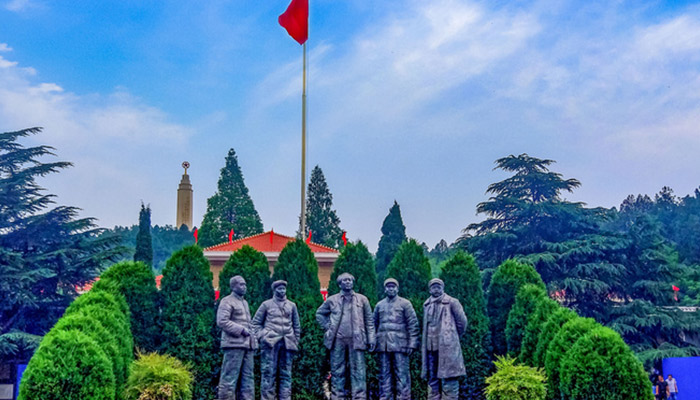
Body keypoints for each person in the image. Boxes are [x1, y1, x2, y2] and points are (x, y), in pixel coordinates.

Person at [316, 272, 375, 400]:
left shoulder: (362, 299)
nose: (348, 282)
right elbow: (320, 314)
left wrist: (371, 338)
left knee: (358, 371)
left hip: (357, 339)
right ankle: (337, 397)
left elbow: (369, 320)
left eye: (350, 280)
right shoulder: (332, 300)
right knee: (337, 370)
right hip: (338, 340)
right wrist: (328, 327)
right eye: (345, 280)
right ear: (340, 284)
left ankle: (359, 397)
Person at [251, 280, 301, 400]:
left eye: (284, 289)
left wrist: (295, 340)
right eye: (280, 289)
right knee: (268, 374)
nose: (282, 291)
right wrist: (263, 336)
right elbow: (255, 324)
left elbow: (297, 325)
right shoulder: (266, 305)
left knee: (286, 374)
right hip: (270, 344)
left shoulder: (292, 305)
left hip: (287, 343)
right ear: (274, 290)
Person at [421, 278, 468, 400]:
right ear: (429, 289)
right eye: (433, 287)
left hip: (447, 347)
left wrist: (452, 337)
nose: (436, 289)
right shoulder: (427, 304)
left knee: (449, 379)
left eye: (438, 286)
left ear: (443, 288)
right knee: (432, 379)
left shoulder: (452, 302)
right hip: (430, 348)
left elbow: (462, 323)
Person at [374, 278, 420, 400]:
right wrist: (373, 342)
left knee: (402, 374)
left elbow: (413, 324)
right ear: (385, 289)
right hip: (383, 345)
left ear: (397, 289)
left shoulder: (405, 304)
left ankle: (404, 397)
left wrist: (412, 343)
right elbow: (373, 324)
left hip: (400, 344)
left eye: (393, 287)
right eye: (388, 287)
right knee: (384, 374)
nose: (391, 289)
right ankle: (385, 397)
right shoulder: (379, 305)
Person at [217, 276, 257, 400]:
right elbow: (222, 321)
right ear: (233, 286)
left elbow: (249, 323)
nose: (244, 287)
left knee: (248, 380)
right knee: (229, 379)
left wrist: (254, 340)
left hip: (247, 345)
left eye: (245, 284)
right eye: (241, 284)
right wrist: (241, 330)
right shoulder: (227, 301)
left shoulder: (244, 302)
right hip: (233, 344)